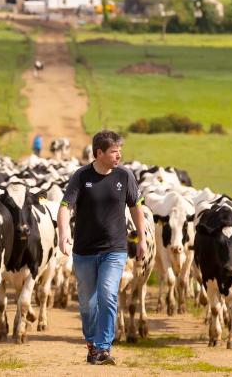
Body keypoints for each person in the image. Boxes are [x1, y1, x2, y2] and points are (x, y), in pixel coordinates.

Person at [58, 130, 146, 365]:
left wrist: (142, 238)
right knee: (87, 302)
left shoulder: (125, 176)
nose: (119, 155)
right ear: (99, 153)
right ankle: (92, 342)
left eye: (120, 151)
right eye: (114, 151)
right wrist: (64, 233)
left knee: (108, 295)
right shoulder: (81, 176)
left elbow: (136, 206)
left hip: (114, 249)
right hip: (84, 250)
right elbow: (65, 206)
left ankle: (103, 347)